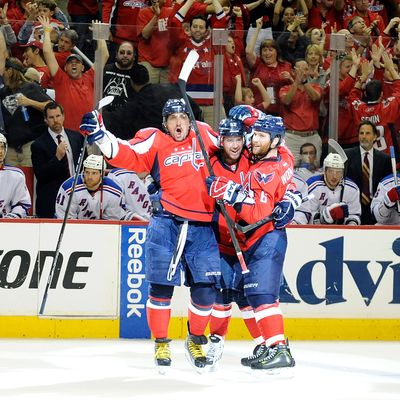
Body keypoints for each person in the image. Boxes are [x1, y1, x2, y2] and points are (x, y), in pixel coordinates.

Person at [79, 98, 222, 372]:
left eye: (183, 117)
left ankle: (195, 338)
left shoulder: (204, 133)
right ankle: (161, 342)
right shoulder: (154, 139)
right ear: (164, 123)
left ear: (189, 120)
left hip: (202, 226)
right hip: (166, 222)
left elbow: (231, 147)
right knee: (161, 287)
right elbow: (125, 152)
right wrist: (100, 134)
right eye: (172, 118)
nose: (178, 123)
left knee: (206, 291)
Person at [206, 109, 301, 370]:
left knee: (261, 294)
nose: (253, 140)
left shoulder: (264, 171)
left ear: (276, 140)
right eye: (254, 133)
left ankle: (279, 349)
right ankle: (270, 345)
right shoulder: (282, 157)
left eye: (261, 135)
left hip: (265, 237)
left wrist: (230, 192)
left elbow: (258, 212)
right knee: (256, 295)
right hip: (262, 239)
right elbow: (287, 178)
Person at [40, 15, 108, 131]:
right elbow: (47, 52)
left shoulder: (90, 76)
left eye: (77, 62)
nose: (74, 64)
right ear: (65, 68)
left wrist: (100, 36)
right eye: (70, 63)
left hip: (90, 135)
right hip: (69, 137)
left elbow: (104, 55)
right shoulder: (60, 79)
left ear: (82, 67)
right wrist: (46, 31)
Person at [31, 101, 84, 218]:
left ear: (63, 116)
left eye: (58, 116)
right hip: (52, 200)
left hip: (78, 198)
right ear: (45, 120)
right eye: (51, 117)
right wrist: (57, 157)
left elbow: (84, 166)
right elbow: (41, 175)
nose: (56, 120)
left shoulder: (77, 137)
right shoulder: (38, 145)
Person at [55, 154, 142, 220]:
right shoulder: (68, 188)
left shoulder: (114, 191)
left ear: (102, 174)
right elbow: (66, 220)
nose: (89, 177)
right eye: (87, 172)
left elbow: (112, 221)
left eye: (94, 173)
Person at [294, 153, 362, 225]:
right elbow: (306, 213)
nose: (334, 176)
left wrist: (351, 224)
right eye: (331, 171)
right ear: (325, 171)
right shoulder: (312, 186)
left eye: (338, 172)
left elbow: (355, 214)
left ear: (343, 173)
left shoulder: (352, 189)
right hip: (317, 231)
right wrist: (322, 218)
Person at [345, 121, 391, 224]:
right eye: (361, 133)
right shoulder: (347, 156)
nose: (364, 137)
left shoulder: (384, 159)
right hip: (353, 209)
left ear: (375, 137)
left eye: (367, 133)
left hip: (375, 209)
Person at [0, 132, 31, 218]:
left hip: (8, 226)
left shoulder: (16, 176)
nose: (0, 151)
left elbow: (22, 204)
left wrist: (11, 218)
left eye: (2, 147)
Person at [103, 41, 136, 110]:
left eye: (129, 53)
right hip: (103, 114)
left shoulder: (137, 74)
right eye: (122, 52)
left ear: (134, 57)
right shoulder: (105, 69)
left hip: (126, 116)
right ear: (116, 54)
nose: (125, 55)